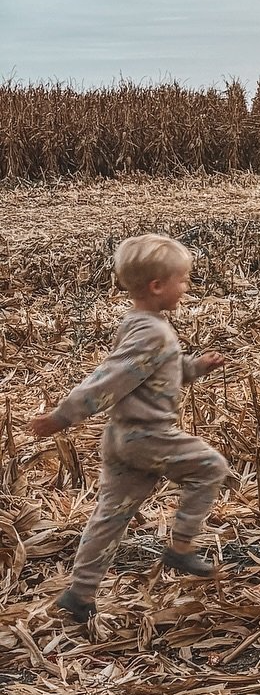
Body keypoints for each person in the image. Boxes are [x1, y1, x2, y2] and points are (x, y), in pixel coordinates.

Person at [29, 234, 229, 625]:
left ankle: (78, 595)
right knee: (211, 467)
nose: (186, 286)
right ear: (157, 286)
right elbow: (110, 379)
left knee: (110, 517)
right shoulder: (153, 333)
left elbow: (154, 372)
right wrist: (62, 417)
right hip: (147, 437)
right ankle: (181, 548)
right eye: (182, 280)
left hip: (123, 438)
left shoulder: (140, 324)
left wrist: (194, 367)